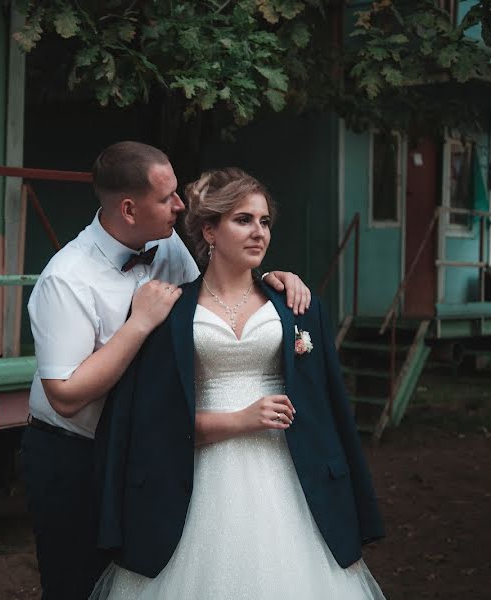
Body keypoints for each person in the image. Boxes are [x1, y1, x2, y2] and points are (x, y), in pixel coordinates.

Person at [21, 143, 311, 600]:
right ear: (129, 208)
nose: (180, 205)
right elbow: (66, 395)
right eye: (167, 197)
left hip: (147, 448)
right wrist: (138, 323)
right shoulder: (67, 279)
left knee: (142, 573)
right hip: (74, 454)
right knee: (76, 583)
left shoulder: (167, 243)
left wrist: (273, 284)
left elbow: (216, 295)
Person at [93, 168, 386, 600]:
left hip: (289, 481)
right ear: (209, 230)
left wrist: (350, 515)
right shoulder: (171, 314)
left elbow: (332, 415)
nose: (259, 233)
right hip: (197, 483)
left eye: (264, 221)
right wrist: (240, 420)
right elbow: (152, 425)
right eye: (243, 220)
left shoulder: (296, 306)